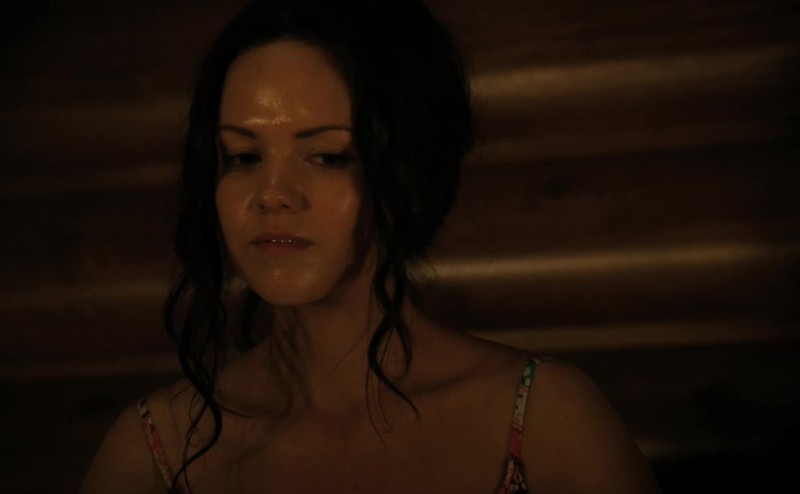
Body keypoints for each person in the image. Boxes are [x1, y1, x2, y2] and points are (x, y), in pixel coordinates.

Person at [82, 0, 660, 492]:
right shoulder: (152, 452)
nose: (273, 194)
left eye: (327, 156)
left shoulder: (546, 421)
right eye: (244, 156)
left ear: (404, 171)